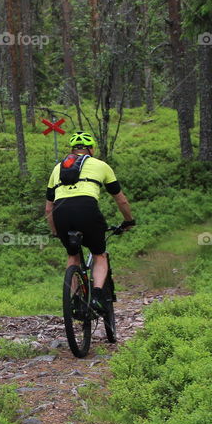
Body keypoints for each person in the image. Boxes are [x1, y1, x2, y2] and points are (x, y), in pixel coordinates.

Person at [45, 131, 134, 313]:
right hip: (87, 211)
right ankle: (98, 296)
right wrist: (129, 221)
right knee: (99, 254)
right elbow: (121, 200)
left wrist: (55, 231)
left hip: (61, 213)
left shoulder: (57, 168)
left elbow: (48, 208)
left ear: (72, 150)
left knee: (73, 256)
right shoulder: (101, 165)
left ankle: (76, 300)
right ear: (91, 149)